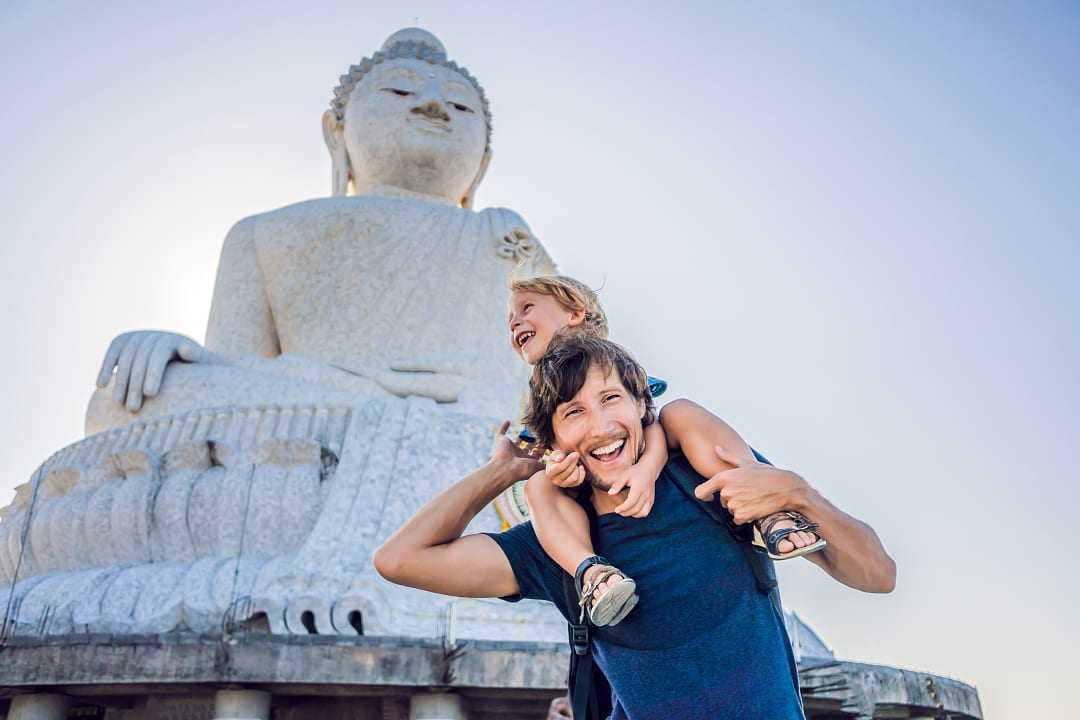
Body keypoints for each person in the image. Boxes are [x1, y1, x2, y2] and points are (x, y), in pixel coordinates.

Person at [374, 333, 896, 719]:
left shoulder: (708, 479)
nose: (600, 427)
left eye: (610, 399)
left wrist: (800, 494)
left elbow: (877, 573)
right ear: (554, 439)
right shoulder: (556, 547)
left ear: (643, 405)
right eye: (573, 412)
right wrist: (504, 470)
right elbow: (400, 560)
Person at [507, 275, 823, 626]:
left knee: (681, 414)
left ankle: (763, 503)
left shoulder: (609, 363)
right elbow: (548, 449)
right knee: (538, 487)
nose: (515, 322)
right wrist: (557, 469)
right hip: (595, 479)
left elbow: (653, 422)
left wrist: (648, 468)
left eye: (526, 308)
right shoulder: (543, 387)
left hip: (647, 451)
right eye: (510, 319)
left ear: (574, 313)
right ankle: (590, 572)